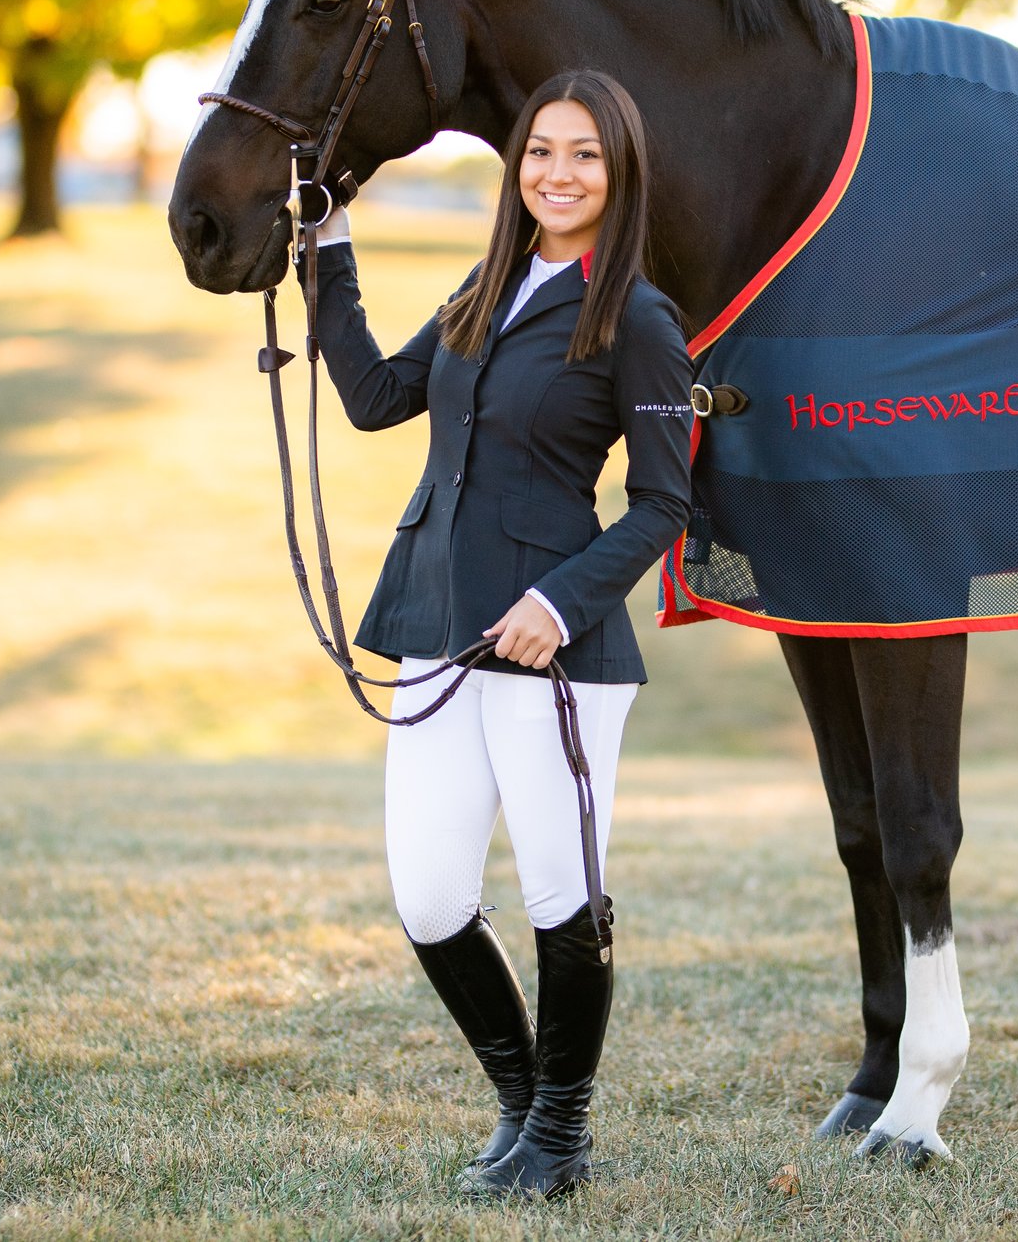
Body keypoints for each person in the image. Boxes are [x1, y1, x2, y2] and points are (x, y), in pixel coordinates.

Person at [309, 69, 694, 1198]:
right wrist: (327, 250)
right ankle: (524, 1105)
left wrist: (560, 603)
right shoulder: (487, 287)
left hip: (552, 651)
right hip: (434, 622)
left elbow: (667, 502)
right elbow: (378, 397)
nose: (556, 173)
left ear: (617, 174)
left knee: (559, 893)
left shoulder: (640, 318)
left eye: (583, 155)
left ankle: (560, 1137)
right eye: (538, 151)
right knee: (429, 897)